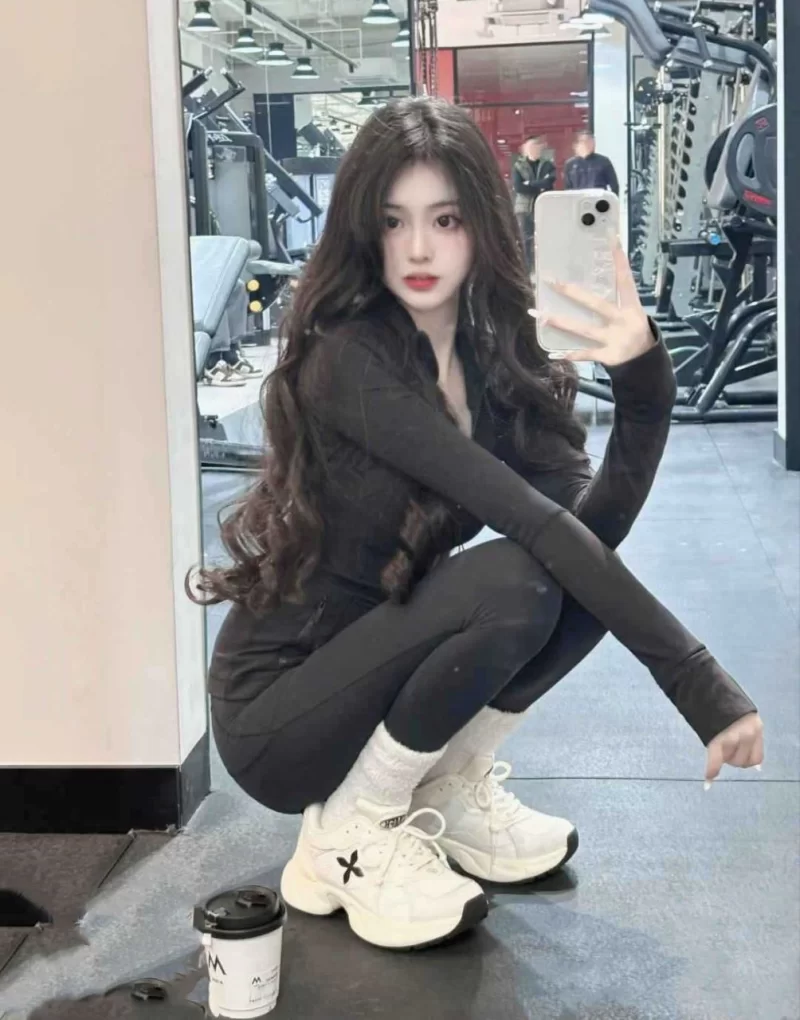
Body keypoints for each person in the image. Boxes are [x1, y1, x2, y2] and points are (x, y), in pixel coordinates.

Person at [189, 98, 763, 953]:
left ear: (481, 228)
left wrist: (644, 379)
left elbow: (588, 529)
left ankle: (441, 785)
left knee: (570, 576)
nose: (419, 248)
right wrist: (699, 685)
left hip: (376, 663)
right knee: (516, 581)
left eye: (446, 219)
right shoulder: (352, 358)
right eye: (394, 221)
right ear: (364, 232)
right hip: (280, 713)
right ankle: (349, 833)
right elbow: (534, 525)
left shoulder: (483, 360)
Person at [512, 135, 556, 270]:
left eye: (536, 146)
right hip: (524, 208)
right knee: (525, 240)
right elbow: (519, 187)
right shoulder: (518, 166)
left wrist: (529, 183)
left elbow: (549, 183)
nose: (533, 149)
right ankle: (527, 270)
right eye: (530, 147)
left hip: (543, 208)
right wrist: (539, 185)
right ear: (525, 149)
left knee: (544, 239)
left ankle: (544, 268)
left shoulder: (548, 165)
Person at [564, 129, 620, 195]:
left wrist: (611, 200)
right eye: (586, 142)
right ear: (578, 144)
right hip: (578, 199)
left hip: (598, 199)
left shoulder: (603, 161)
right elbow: (568, 188)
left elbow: (614, 185)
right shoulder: (570, 164)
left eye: (592, 142)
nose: (590, 145)